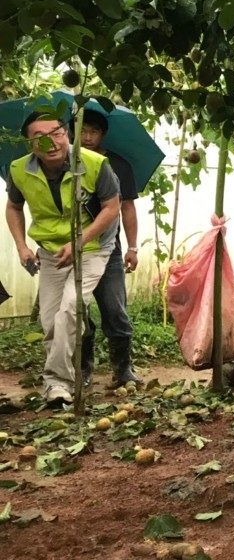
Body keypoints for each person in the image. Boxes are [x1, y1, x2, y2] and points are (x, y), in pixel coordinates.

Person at [5, 111, 120, 405]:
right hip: (50, 250)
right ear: (30, 144)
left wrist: (79, 242)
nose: (51, 142)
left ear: (67, 133)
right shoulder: (18, 170)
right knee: (51, 319)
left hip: (92, 247)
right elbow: (14, 207)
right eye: (39, 138)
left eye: (57, 133)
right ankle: (70, 363)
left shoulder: (93, 164)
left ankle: (57, 383)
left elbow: (111, 208)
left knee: (70, 307)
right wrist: (22, 247)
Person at [76, 110, 142, 387]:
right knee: (79, 311)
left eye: (93, 131)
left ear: (102, 134)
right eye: (82, 130)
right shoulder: (61, 163)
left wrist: (133, 247)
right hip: (72, 252)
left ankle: (122, 369)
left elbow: (127, 207)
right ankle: (83, 370)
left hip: (109, 250)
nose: (87, 137)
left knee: (115, 310)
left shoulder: (117, 165)